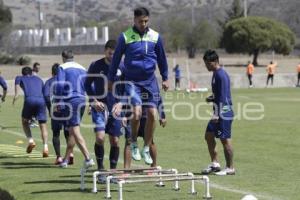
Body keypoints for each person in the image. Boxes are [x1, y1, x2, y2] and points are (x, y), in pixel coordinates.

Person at [108, 7, 169, 165]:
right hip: (132, 82)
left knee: (152, 114)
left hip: (150, 81)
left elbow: (162, 58)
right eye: (140, 21)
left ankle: (146, 147)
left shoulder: (155, 37)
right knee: (136, 112)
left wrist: (165, 77)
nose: (143, 24)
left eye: (146, 21)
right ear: (134, 20)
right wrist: (110, 79)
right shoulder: (125, 37)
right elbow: (115, 60)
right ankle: (133, 142)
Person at [85, 40, 123, 175]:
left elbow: (128, 88)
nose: (112, 56)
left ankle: (112, 172)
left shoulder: (122, 67)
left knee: (115, 140)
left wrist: (121, 103)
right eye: (110, 53)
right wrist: (93, 100)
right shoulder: (96, 65)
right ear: (105, 51)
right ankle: (100, 169)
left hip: (116, 108)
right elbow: (87, 84)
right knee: (100, 137)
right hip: (99, 107)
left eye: (115, 54)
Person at [54, 49, 94, 168]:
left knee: (75, 130)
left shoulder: (62, 67)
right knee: (72, 130)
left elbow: (60, 84)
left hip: (70, 100)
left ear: (63, 57)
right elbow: (90, 85)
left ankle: (88, 158)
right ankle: (66, 160)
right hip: (82, 100)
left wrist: (58, 101)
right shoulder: (82, 68)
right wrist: (92, 102)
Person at [201, 50, 235, 176]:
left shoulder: (221, 75)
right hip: (219, 110)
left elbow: (224, 97)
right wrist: (212, 97)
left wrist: (217, 113)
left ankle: (230, 168)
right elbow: (219, 94)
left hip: (224, 112)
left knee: (224, 140)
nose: (206, 66)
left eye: (208, 64)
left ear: (215, 62)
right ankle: (215, 164)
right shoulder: (215, 74)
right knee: (208, 135)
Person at [12, 66, 49, 157]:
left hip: (29, 100)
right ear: (31, 73)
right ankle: (45, 147)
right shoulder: (39, 79)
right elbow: (45, 93)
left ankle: (31, 141)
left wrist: (14, 99)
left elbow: (17, 93)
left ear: (23, 73)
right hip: (41, 101)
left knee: (24, 122)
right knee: (43, 125)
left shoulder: (19, 78)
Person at [123, 96, 166, 168]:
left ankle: (154, 166)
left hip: (146, 117)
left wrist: (162, 115)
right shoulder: (131, 85)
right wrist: (123, 115)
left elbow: (157, 97)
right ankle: (126, 169)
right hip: (131, 116)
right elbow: (124, 97)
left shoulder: (150, 85)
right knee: (129, 141)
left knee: (150, 142)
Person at [44, 63, 73, 165]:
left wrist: (50, 108)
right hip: (67, 108)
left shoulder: (49, 82)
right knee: (68, 131)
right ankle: (70, 154)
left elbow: (46, 96)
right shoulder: (66, 81)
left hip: (56, 110)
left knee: (56, 134)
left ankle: (59, 157)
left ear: (52, 72)